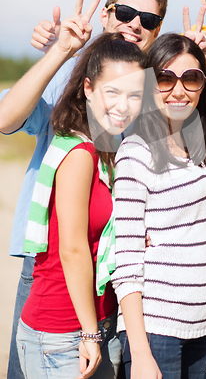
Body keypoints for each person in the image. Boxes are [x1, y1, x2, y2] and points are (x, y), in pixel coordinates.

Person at [0, 0, 168, 379]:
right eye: (125, 13)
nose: (134, 24)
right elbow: (7, 119)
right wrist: (60, 51)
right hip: (51, 266)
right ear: (107, 14)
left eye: (148, 19)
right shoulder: (73, 79)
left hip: (114, 273)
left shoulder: (146, 95)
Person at [16, 24, 148, 378]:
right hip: (62, 331)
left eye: (134, 95)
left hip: (94, 323)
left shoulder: (110, 149)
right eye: (113, 92)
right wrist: (90, 332)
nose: (123, 106)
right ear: (88, 88)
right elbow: (72, 249)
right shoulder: (80, 151)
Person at [104, 34, 206, 379]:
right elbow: (125, 261)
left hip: (204, 326)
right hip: (155, 330)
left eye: (192, 78)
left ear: (203, 86)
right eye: (166, 78)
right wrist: (139, 351)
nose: (179, 90)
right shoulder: (136, 153)